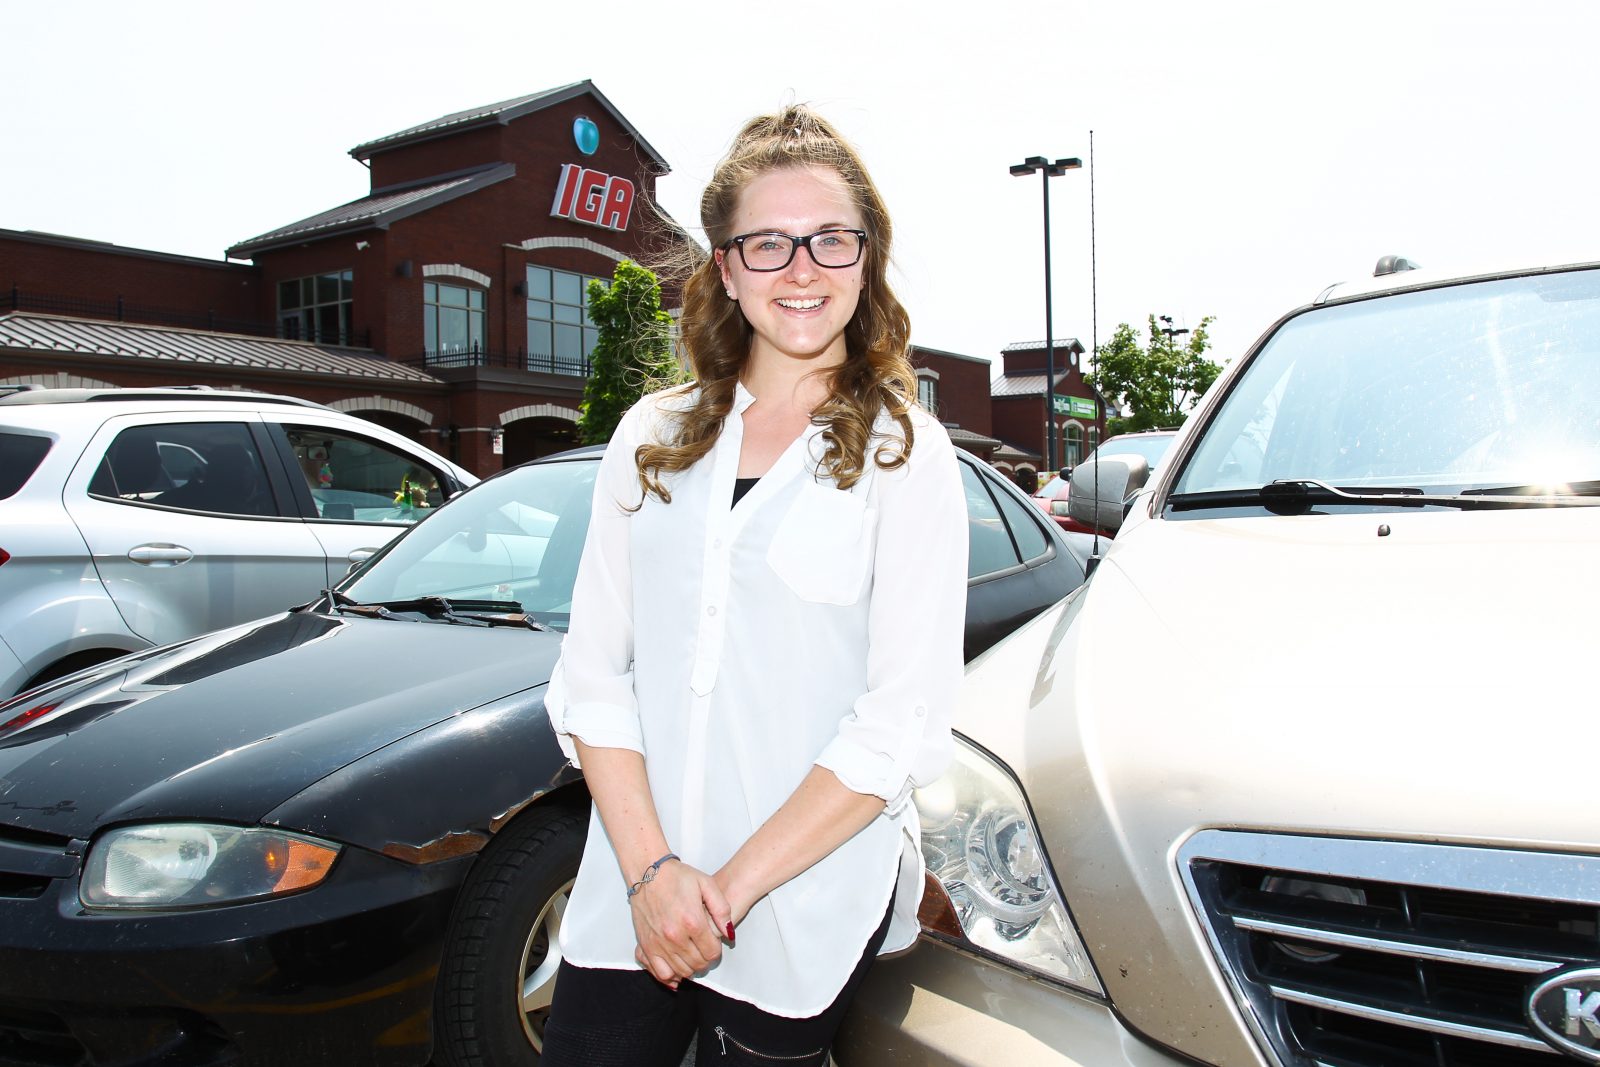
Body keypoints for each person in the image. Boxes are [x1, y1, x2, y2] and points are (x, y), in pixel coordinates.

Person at [540, 105, 968, 1067]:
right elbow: (594, 675)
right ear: (726, 269)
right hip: (629, 897)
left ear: (867, 259)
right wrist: (654, 875)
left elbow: (899, 717)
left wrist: (719, 895)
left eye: (829, 239)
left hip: (794, 910)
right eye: (768, 243)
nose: (802, 268)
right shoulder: (650, 433)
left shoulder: (907, 452)